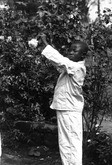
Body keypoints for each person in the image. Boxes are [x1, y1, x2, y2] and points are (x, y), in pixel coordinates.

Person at [40, 33, 89, 165]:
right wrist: (46, 47)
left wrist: (45, 43)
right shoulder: (69, 68)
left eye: (75, 51)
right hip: (64, 108)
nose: (70, 52)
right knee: (64, 142)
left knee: (72, 142)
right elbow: (58, 62)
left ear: (82, 56)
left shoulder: (78, 68)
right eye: (70, 50)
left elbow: (60, 60)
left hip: (71, 110)